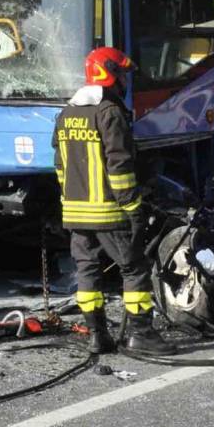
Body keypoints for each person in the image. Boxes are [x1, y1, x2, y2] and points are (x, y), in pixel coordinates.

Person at [52, 46, 175, 358]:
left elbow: (60, 166)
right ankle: (142, 335)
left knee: (87, 272)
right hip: (109, 212)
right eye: (121, 73)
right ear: (109, 74)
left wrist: (70, 200)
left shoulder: (66, 114)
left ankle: (97, 336)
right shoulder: (109, 112)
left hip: (75, 213)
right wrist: (133, 206)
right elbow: (119, 164)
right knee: (134, 268)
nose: (124, 80)